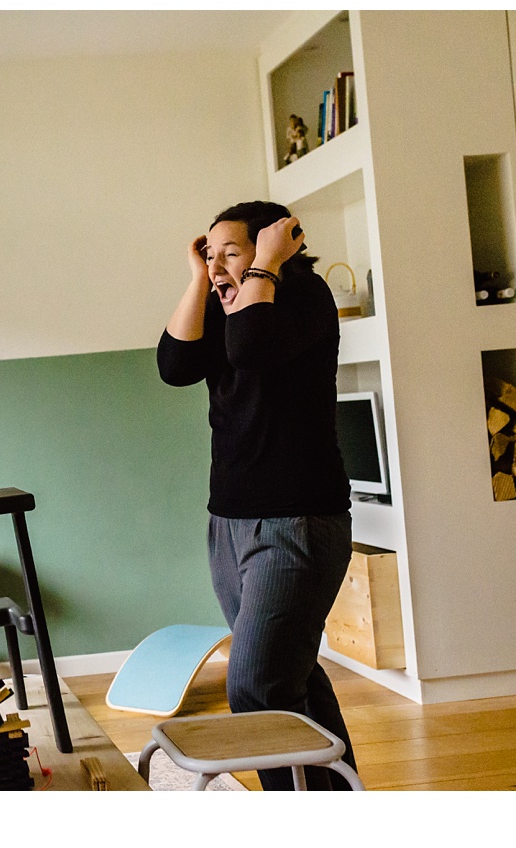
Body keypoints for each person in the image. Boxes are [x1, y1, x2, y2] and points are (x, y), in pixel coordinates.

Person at [156, 200, 357, 791]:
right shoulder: (226, 306)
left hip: (298, 519)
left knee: (255, 685)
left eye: (230, 253)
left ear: (275, 248)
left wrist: (265, 262)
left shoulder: (304, 296)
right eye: (209, 253)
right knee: (290, 676)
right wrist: (202, 277)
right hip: (230, 523)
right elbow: (174, 365)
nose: (218, 266)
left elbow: (251, 346)